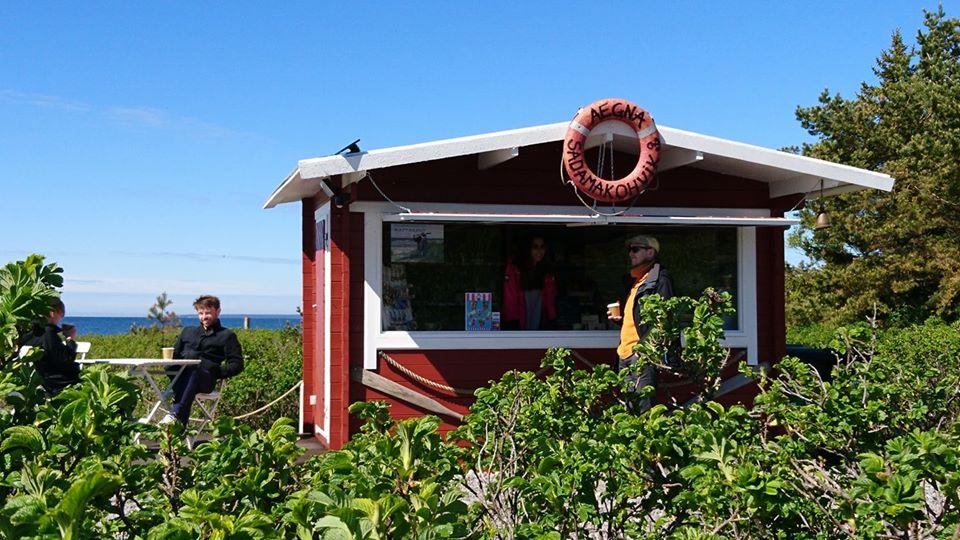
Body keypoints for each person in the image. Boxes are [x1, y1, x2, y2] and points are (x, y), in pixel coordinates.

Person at [607, 235, 673, 411]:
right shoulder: (637, 280)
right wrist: (619, 320)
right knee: (630, 409)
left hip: (641, 355)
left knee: (643, 409)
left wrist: (644, 352)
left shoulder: (660, 279)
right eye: (630, 250)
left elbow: (663, 320)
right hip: (624, 353)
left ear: (650, 252)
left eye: (635, 249)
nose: (631, 254)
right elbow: (637, 318)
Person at [162, 295, 243, 425]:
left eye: (208, 313)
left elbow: (237, 365)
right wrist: (169, 368)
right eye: (201, 313)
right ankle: (177, 429)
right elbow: (174, 356)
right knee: (187, 374)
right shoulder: (187, 331)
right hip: (179, 379)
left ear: (218, 312)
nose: (204, 317)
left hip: (205, 380)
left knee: (195, 369)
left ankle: (175, 413)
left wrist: (215, 370)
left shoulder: (227, 336)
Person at [20, 298, 81, 395]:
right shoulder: (48, 332)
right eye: (61, 315)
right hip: (58, 383)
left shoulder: (29, 332)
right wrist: (70, 339)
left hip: (40, 378)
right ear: (53, 313)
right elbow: (65, 358)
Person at [502, 235, 557, 330]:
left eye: (542, 247)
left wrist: (552, 318)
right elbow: (510, 299)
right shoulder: (514, 269)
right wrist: (513, 325)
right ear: (528, 249)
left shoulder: (547, 271)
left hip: (540, 326)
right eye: (535, 247)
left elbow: (550, 300)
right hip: (519, 327)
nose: (539, 251)